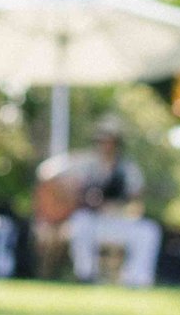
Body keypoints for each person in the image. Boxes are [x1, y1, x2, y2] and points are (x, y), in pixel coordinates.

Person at [43, 119, 161, 287]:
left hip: (119, 220)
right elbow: (48, 171)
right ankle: (85, 274)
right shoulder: (86, 163)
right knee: (80, 221)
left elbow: (136, 199)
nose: (105, 145)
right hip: (92, 221)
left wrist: (119, 206)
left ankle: (137, 279)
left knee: (149, 231)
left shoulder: (127, 169)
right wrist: (68, 196)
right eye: (101, 140)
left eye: (109, 141)